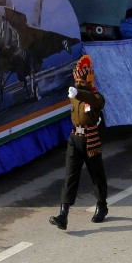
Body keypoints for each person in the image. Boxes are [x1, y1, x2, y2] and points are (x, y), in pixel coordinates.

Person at [49, 55, 108, 230]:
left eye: (82, 79)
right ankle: (63, 215)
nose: (78, 82)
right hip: (75, 138)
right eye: (77, 79)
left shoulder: (96, 97)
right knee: (70, 176)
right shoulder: (74, 95)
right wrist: (76, 93)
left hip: (90, 139)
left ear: (89, 79)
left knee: (96, 174)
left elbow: (93, 101)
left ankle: (102, 205)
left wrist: (79, 93)